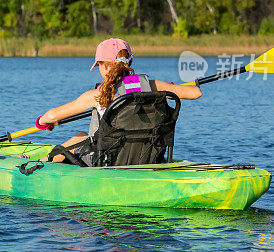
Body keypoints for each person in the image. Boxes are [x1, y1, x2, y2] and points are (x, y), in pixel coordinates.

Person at [30, 38, 202, 164]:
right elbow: (196, 93)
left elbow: (52, 115)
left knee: (79, 137)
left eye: (98, 66)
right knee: (83, 137)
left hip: (106, 161)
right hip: (146, 157)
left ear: (104, 66)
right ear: (130, 62)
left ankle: (39, 163)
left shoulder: (97, 95)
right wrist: (168, 88)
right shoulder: (152, 85)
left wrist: (42, 123)